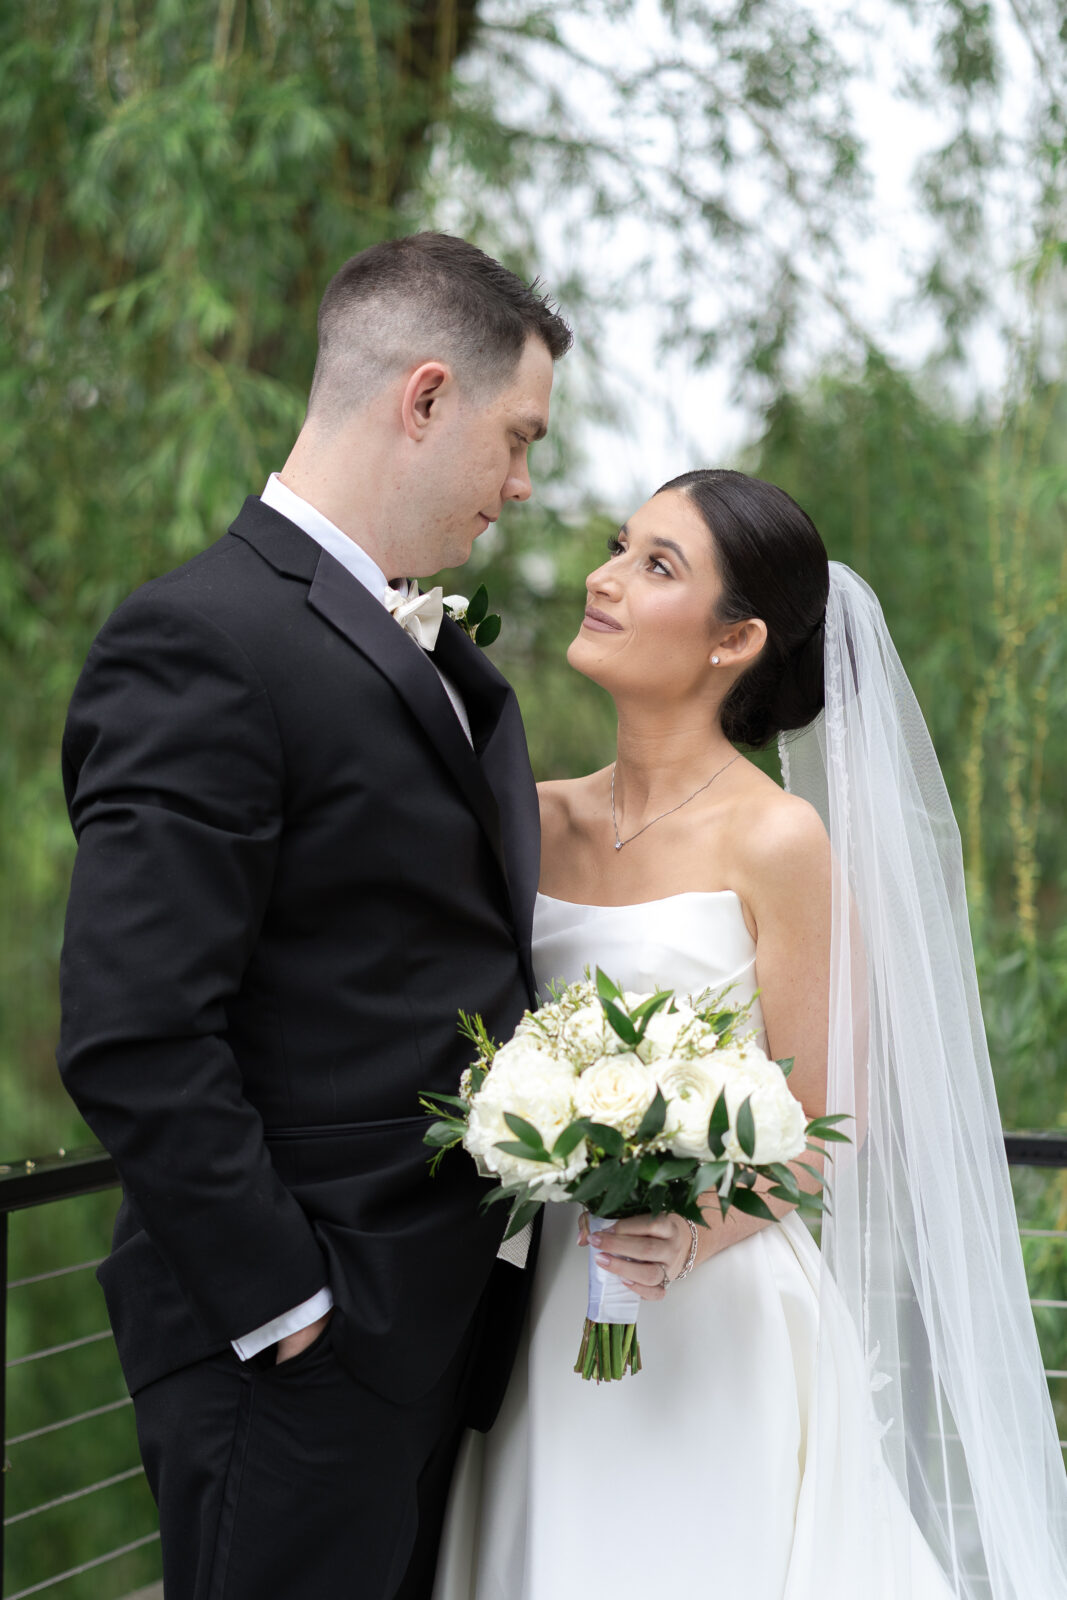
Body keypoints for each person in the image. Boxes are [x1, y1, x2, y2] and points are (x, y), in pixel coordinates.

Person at [433, 469, 1067, 1598]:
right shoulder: (529, 814)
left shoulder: (777, 840)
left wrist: (691, 1233)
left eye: (655, 565)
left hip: (709, 1315)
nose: (604, 579)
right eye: (618, 546)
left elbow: (820, 1127)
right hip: (533, 1307)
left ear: (735, 640)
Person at [56, 232, 571, 1600]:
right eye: (516, 438)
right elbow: (132, 1028)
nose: (522, 483)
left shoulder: (423, 643)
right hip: (294, 1356)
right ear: (424, 398)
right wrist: (290, 1309)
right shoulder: (201, 641)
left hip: (427, 1334)